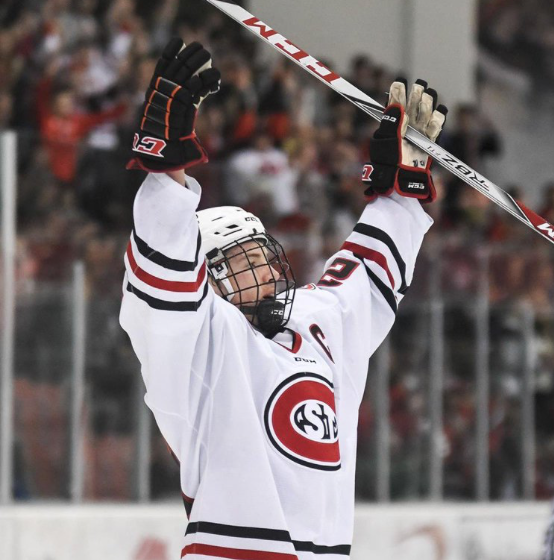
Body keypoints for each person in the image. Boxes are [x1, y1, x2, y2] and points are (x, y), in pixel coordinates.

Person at [120, 39, 447, 559]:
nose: (266, 268)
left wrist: (399, 187)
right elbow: (162, 286)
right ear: (206, 275)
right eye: (241, 259)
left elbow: (362, 277)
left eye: (264, 253)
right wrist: (167, 168)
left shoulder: (318, 327)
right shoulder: (201, 347)